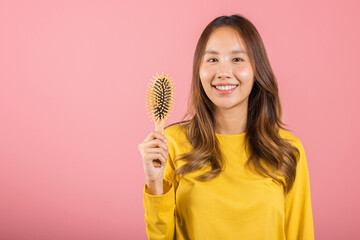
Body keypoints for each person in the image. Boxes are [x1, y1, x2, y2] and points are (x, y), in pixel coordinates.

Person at [138, 14, 315, 240]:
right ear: (198, 70)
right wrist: (154, 182)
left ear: (256, 70)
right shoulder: (170, 144)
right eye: (212, 60)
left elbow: (300, 233)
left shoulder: (288, 150)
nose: (223, 72)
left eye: (237, 59)